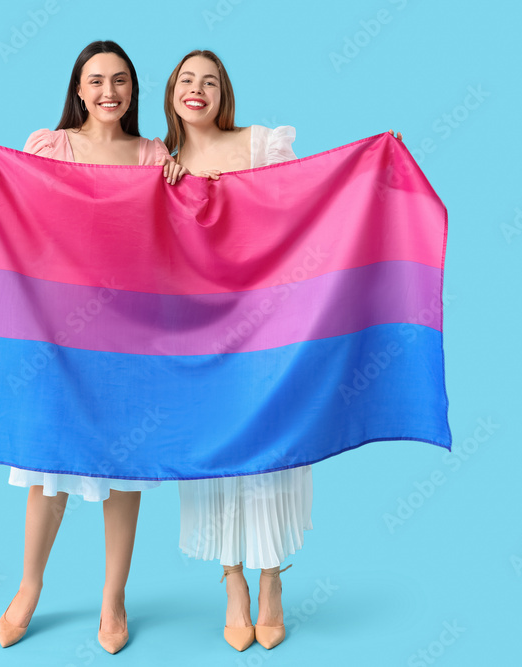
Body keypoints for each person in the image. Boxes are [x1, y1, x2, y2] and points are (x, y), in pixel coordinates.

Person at [163, 49, 402, 652]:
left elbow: (310, 201)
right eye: (186, 80)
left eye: (209, 81)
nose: (197, 89)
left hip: (271, 330)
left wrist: (374, 159)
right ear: (170, 92)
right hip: (202, 336)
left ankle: (271, 581)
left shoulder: (262, 144)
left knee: (273, 452)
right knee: (215, 459)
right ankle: (233, 586)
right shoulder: (159, 162)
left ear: (224, 93)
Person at [0, 40, 185, 655]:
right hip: (57, 334)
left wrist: (180, 184)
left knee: (125, 469)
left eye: (119, 81)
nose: (108, 91)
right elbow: (23, 220)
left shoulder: (153, 154)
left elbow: (177, 231)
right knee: (47, 465)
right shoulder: (45, 147)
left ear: (134, 92)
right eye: (95, 81)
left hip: (133, 332)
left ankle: (114, 599)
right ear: (78, 90)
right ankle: (28, 589)